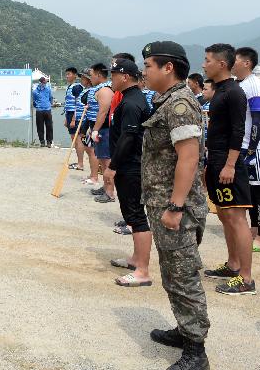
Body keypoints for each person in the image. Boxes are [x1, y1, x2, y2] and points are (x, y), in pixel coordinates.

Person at [141, 41, 210, 370]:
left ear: (168, 68)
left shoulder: (180, 103)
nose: (144, 71)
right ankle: (184, 330)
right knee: (172, 273)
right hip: (164, 205)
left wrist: (176, 206)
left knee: (183, 277)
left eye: (148, 65)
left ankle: (196, 351)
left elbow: (189, 156)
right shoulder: (167, 100)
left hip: (176, 210)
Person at [200, 44, 256, 296]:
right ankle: (233, 265)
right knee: (224, 215)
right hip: (215, 160)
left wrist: (231, 164)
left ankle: (246, 279)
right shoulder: (220, 90)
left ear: (221, 64)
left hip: (228, 162)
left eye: (207, 60)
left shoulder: (234, 92)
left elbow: (238, 130)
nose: (203, 64)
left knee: (236, 218)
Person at [105, 59, 152, 287]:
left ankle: (143, 270)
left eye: (113, 75)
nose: (111, 79)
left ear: (125, 77)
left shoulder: (133, 103)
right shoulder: (129, 99)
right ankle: (136, 259)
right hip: (128, 164)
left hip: (131, 166)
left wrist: (112, 166)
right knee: (130, 213)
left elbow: (128, 138)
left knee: (136, 215)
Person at [233, 47, 260, 254]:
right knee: (249, 192)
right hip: (243, 146)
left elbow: (258, 118)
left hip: (256, 148)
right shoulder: (241, 84)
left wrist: (251, 148)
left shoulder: (255, 85)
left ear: (247, 63)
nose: (232, 62)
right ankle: (253, 229)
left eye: (236, 59)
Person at [88, 64, 114, 203]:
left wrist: (96, 130)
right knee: (102, 160)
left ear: (98, 74)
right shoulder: (99, 89)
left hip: (104, 130)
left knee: (106, 161)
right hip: (99, 129)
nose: (90, 77)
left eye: (91, 74)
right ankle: (105, 187)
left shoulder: (105, 90)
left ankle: (110, 192)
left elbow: (103, 112)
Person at [64, 67, 85, 170]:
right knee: (74, 138)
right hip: (69, 114)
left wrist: (73, 119)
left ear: (75, 75)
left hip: (74, 115)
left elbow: (78, 104)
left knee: (77, 139)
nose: (67, 76)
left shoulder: (77, 87)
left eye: (69, 74)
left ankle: (80, 163)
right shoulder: (70, 86)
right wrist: (66, 119)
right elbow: (69, 104)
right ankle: (78, 162)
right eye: (66, 74)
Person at [32, 76, 54, 147]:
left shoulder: (48, 89)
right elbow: (34, 101)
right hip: (39, 111)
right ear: (40, 82)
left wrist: (49, 104)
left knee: (49, 126)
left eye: (45, 82)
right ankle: (42, 142)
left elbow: (51, 98)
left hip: (47, 110)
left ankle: (49, 142)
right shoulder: (35, 91)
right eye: (44, 82)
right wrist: (38, 106)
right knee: (40, 127)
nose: (45, 84)